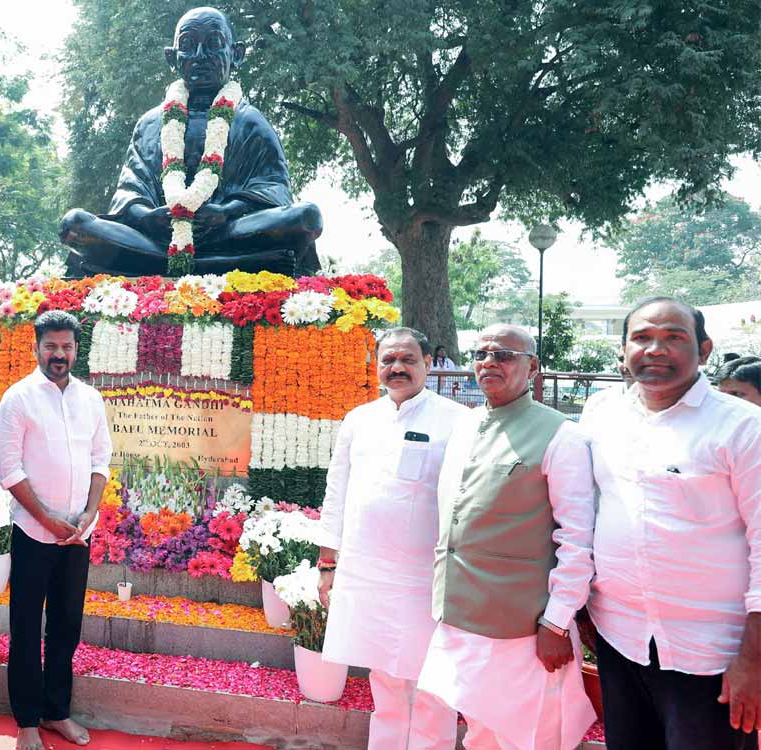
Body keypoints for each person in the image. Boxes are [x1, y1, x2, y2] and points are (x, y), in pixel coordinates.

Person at [581, 298, 761, 749]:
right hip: (619, 638)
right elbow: (584, 511)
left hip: (711, 654)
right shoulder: (600, 415)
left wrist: (754, 660)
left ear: (704, 350)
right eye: (642, 338)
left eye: (674, 338)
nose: (656, 349)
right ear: (622, 351)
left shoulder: (743, 427)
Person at [416, 324, 596, 750]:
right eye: (481, 354)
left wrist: (556, 621)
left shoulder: (562, 436)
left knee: (526, 735)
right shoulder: (466, 425)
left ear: (533, 367)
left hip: (521, 624)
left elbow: (577, 540)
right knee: (479, 730)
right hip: (458, 612)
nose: (489, 362)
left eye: (505, 355)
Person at [58, 7, 321, 276]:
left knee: (306, 218)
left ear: (237, 54)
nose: (199, 56)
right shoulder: (151, 124)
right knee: (76, 225)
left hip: (229, 233)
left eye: (213, 44)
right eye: (188, 46)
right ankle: (218, 267)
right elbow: (130, 191)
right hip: (158, 240)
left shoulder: (250, 121)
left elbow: (273, 189)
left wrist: (226, 212)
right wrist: (148, 217)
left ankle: (153, 268)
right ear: (172, 58)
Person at [317, 327, 467, 750]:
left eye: (408, 360)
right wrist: (328, 563)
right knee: (382, 679)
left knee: (431, 681)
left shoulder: (458, 421)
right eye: (388, 360)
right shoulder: (359, 419)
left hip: (427, 576)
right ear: (377, 365)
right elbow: (337, 493)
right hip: (368, 571)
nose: (397, 368)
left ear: (428, 364)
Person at [0, 310, 112, 750]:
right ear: (36, 347)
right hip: (33, 534)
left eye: (66, 347)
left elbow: (101, 461)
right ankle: (25, 721)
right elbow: (8, 469)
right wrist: (45, 517)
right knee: (25, 626)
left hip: (78, 535)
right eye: (51, 346)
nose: (59, 354)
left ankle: (56, 711)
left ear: (77, 349)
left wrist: (86, 515)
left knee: (66, 625)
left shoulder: (91, 399)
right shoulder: (18, 399)